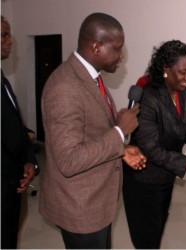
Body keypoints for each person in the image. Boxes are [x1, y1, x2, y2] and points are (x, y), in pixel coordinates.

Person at [39, 13, 146, 249]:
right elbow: (69, 159)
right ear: (96, 46)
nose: (122, 55)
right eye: (117, 48)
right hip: (81, 209)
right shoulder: (65, 87)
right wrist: (119, 133)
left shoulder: (91, 77)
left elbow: (90, 134)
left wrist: (122, 148)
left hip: (98, 203)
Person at [122, 40, 186, 249]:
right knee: (146, 239)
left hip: (166, 177)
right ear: (165, 69)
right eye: (183, 72)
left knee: (156, 231)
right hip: (144, 180)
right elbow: (150, 148)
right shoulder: (149, 97)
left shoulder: (183, 92)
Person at [1, 15, 39, 249]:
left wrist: (29, 160)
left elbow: (16, 126)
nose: (10, 41)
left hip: (13, 181)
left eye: (9, 35)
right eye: (3, 35)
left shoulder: (3, 79)